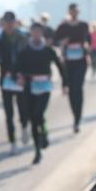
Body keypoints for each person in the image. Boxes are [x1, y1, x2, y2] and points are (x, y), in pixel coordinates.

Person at [17, 22, 68, 164]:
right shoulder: (25, 50)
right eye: (34, 32)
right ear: (31, 33)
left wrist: (65, 83)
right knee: (33, 118)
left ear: (42, 33)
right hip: (29, 86)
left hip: (44, 86)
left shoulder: (48, 50)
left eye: (39, 32)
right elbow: (17, 67)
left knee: (38, 113)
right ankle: (37, 150)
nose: (36, 35)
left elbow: (60, 66)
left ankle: (44, 132)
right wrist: (19, 76)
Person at [0, 11, 30, 152]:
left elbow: (29, 57)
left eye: (11, 22)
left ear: (15, 22)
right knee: (9, 114)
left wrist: (24, 74)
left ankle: (25, 127)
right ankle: (12, 141)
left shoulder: (24, 38)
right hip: (6, 80)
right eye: (6, 22)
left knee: (22, 109)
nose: (8, 25)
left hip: (20, 79)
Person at [53, 3, 92, 133]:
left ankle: (78, 118)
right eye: (72, 11)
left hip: (81, 61)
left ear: (78, 12)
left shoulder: (84, 25)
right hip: (68, 62)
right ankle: (75, 115)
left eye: (76, 11)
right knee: (71, 89)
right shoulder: (63, 26)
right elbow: (55, 40)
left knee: (78, 87)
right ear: (69, 12)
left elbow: (89, 40)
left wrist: (87, 49)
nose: (74, 13)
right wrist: (62, 42)